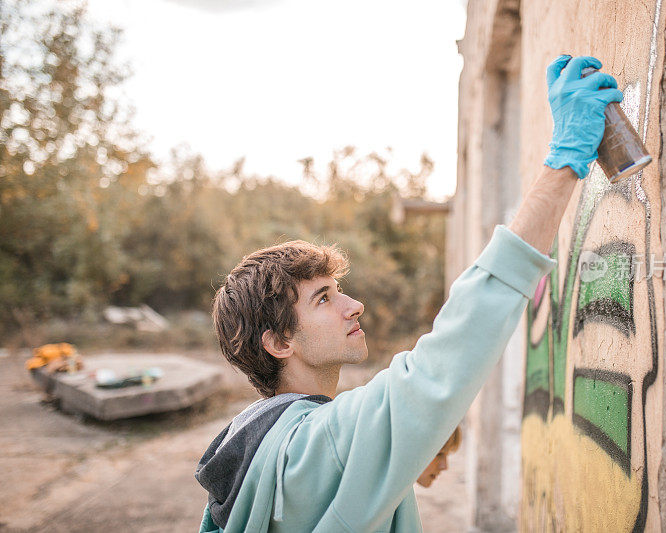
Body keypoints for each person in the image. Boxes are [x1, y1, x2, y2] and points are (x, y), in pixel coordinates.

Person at [195, 54, 622, 532]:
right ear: (278, 343)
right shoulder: (316, 447)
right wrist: (564, 162)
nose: (354, 305)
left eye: (340, 290)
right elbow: (443, 362)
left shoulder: (256, 443)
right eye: (323, 298)